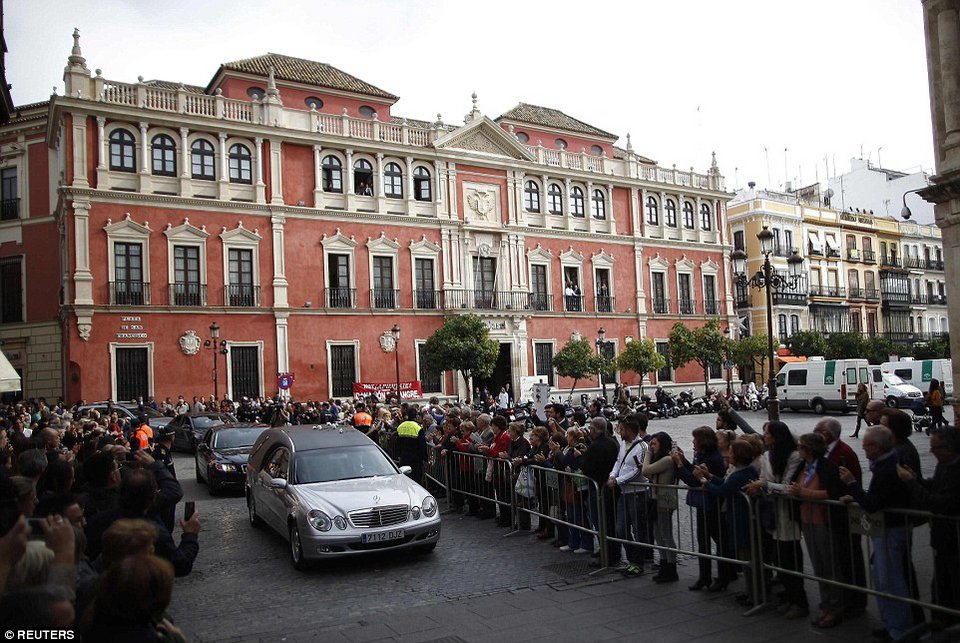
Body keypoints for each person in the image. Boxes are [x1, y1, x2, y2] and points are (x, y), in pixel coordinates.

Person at [839, 426, 915, 640]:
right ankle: (892, 623)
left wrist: (852, 484)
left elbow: (873, 503)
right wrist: (858, 496)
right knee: (885, 578)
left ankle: (899, 628)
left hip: (891, 529)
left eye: (866, 445)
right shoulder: (890, 461)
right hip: (889, 527)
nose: (863, 448)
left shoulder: (886, 469)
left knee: (889, 580)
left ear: (877, 447)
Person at [898, 425, 960, 627]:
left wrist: (911, 483)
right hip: (942, 539)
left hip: (953, 540)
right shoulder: (945, 463)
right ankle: (940, 625)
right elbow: (935, 486)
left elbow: (938, 503)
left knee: (952, 587)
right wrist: (917, 479)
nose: (931, 451)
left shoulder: (956, 470)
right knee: (940, 588)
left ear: (950, 448)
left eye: (935, 447)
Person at [743, 421, 807, 618]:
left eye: (767, 433)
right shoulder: (767, 456)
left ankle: (799, 601)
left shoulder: (794, 456)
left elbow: (788, 487)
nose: (764, 436)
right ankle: (789, 597)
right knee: (780, 559)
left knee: (791, 559)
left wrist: (765, 485)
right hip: (773, 512)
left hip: (788, 514)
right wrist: (759, 486)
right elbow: (764, 479)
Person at [697, 440, 759, 599]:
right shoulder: (746, 471)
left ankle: (754, 594)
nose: (728, 455)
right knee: (747, 557)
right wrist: (709, 476)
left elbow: (723, 490)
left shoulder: (740, 474)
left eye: (731, 452)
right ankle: (751, 592)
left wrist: (704, 481)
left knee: (747, 557)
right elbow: (726, 483)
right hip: (740, 515)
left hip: (740, 517)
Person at [674, 426, 729, 591]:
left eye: (695, 439)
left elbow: (694, 480)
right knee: (703, 540)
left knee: (718, 541)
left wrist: (679, 465)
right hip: (704, 504)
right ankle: (705, 576)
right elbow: (694, 472)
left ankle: (723, 576)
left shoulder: (713, 458)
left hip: (713, 504)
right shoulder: (704, 455)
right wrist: (685, 461)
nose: (693, 442)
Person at [607, 415, 649, 576]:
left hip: (637, 493)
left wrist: (617, 481)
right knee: (621, 528)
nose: (619, 431)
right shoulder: (623, 445)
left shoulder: (642, 447)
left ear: (630, 430)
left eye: (622, 429)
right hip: (624, 492)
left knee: (638, 529)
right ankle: (632, 558)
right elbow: (619, 462)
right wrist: (613, 475)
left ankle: (638, 562)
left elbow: (638, 471)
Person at [581, 416, 619, 568]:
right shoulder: (612, 443)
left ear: (593, 430)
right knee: (609, 523)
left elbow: (586, 467)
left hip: (599, 487)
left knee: (602, 523)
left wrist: (582, 457)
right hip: (609, 486)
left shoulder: (596, 446)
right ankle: (611, 552)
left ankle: (608, 555)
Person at [642, 431, 678, 583]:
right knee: (658, 533)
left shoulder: (667, 460)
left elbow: (645, 470)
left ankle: (671, 568)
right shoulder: (663, 459)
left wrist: (648, 453)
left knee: (666, 534)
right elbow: (650, 474)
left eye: (654, 444)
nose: (652, 446)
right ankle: (664, 565)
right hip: (656, 498)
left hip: (665, 498)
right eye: (651, 444)